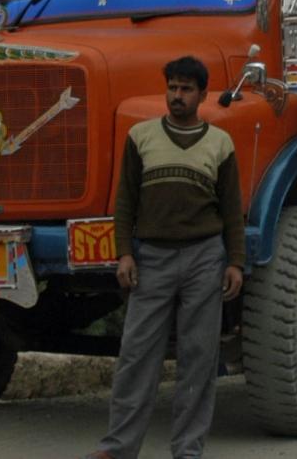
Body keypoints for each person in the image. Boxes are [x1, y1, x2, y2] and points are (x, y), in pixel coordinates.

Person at [87, 56, 245, 459]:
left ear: (202, 95)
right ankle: (118, 449)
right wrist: (125, 253)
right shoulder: (140, 137)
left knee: (198, 358)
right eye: (172, 87)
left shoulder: (220, 143)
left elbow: (232, 210)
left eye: (186, 89)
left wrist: (235, 262)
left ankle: (188, 451)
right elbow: (125, 200)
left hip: (204, 259)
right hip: (151, 259)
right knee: (136, 355)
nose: (177, 96)